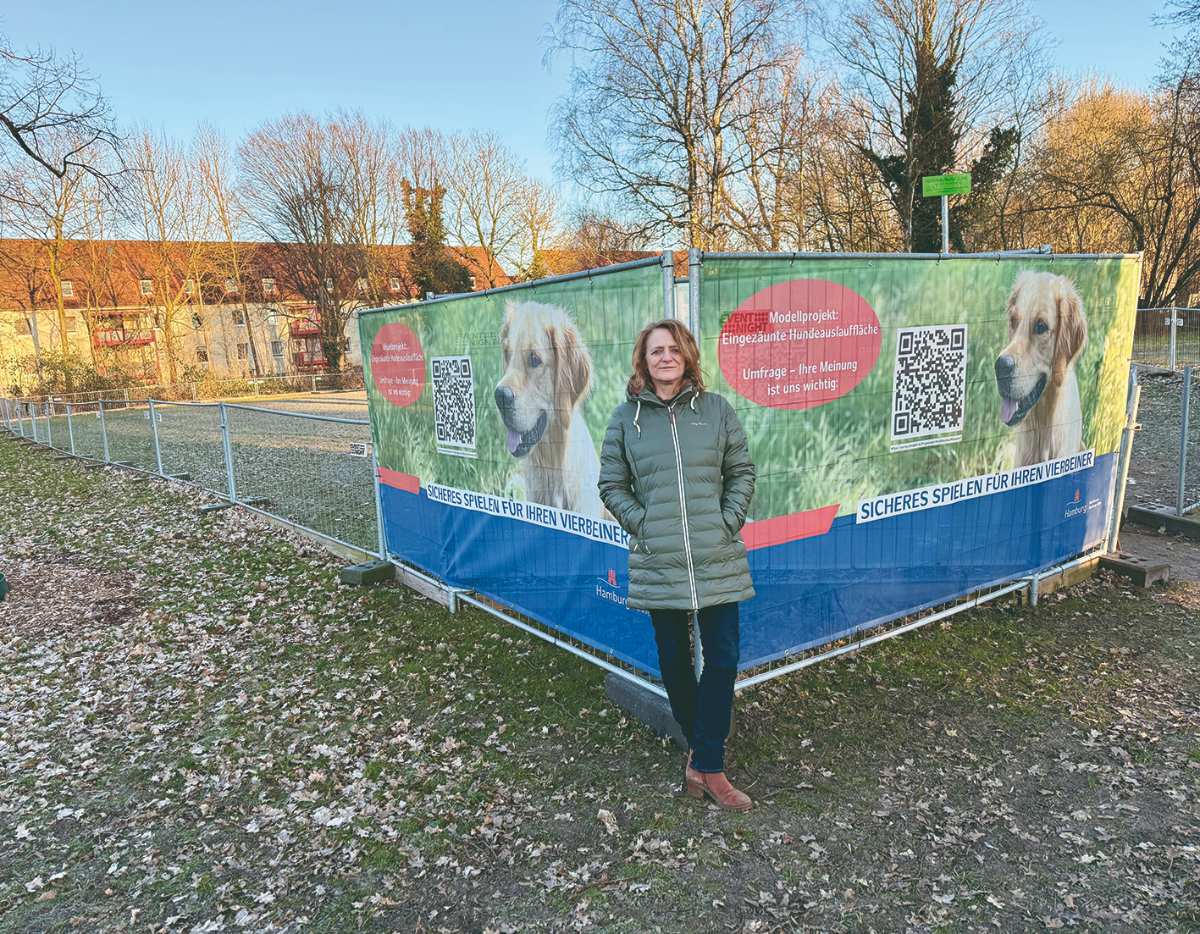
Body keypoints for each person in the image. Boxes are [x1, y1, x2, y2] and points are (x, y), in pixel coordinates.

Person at [598, 319, 756, 811]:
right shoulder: (626, 420)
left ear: (687, 355)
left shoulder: (716, 411)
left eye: (672, 349)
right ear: (642, 361)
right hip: (659, 558)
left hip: (716, 554)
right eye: (654, 351)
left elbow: (742, 471)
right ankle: (707, 761)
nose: (664, 357)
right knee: (675, 663)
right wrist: (643, 524)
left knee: (724, 658)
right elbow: (611, 484)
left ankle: (704, 763)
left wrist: (727, 521)